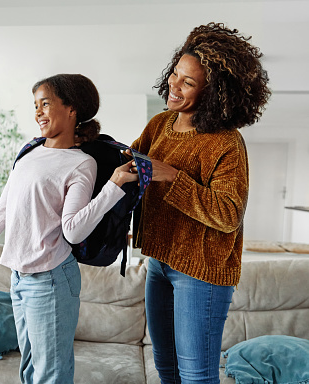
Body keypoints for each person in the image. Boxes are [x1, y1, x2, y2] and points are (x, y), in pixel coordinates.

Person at [0, 73, 137, 384]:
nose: (38, 111)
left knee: (51, 375)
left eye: (45, 103)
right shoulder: (29, 154)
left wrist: (114, 184)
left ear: (71, 108)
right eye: (35, 105)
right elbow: (3, 210)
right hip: (19, 278)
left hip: (51, 279)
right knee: (29, 370)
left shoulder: (80, 164)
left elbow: (74, 231)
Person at [130, 23, 271, 383]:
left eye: (188, 82)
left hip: (202, 274)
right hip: (158, 262)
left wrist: (172, 176)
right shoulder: (160, 124)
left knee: (196, 376)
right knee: (167, 370)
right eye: (175, 74)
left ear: (212, 92)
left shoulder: (226, 142)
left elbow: (228, 215)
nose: (174, 86)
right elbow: (131, 165)